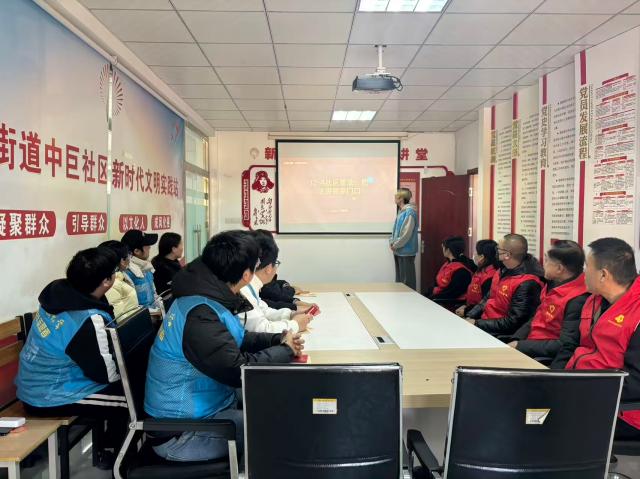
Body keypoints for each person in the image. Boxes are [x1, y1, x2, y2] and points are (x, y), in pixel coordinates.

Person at [144, 230, 305, 462]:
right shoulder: (200, 314)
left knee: (277, 399)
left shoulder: (205, 295)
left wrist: (277, 340)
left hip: (205, 408)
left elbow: (235, 338)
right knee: (281, 427)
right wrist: (285, 351)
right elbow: (237, 370)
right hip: (183, 432)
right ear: (247, 274)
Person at [15, 248, 128, 467]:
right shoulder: (87, 318)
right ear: (106, 281)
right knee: (128, 399)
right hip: (49, 395)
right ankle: (117, 460)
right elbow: (107, 375)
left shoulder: (58, 295)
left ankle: (107, 448)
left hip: (33, 384)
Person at [564, 238, 640, 440]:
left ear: (603, 274)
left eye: (587, 267)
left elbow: (635, 383)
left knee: (544, 424)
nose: (583, 273)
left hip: (622, 411)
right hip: (581, 389)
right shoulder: (594, 300)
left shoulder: (637, 314)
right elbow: (576, 348)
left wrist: (580, 391)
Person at [506, 240, 588, 366]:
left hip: (542, 357)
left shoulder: (577, 299)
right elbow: (537, 318)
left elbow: (565, 345)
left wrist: (521, 346)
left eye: (546, 260)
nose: (543, 264)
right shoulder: (552, 283)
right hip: (528, 346)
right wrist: (516, 340)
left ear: (559, 268)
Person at [467, 234, 544, 336]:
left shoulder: (527, 283)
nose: (496, 251)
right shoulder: (502, 270)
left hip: (499, 333)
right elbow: (488, 297)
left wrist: (477, 323)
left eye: (498, 249)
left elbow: (514, 322)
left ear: (507, 255)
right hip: (486, 324)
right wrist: (470, 316)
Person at [240, 231, 314, 333]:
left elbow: (263, 310)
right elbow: (262, 329)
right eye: (276, 263)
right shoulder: (243, 290)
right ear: (268, 268)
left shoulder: (250, 286)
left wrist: (291, 314)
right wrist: (295, 325)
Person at [251, 230, 316, 311]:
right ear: (269, 268)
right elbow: (273, 295)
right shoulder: (248, 288)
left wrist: (294, 302)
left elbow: (263, 304)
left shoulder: (254, 283)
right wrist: (294, 303)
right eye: (275, 262)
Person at [455, 239, 499, 317]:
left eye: (476, 252)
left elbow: (485, 304)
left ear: (482, 257)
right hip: (470, 310)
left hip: (478, 316)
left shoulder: (491, 277)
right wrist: (465, 306)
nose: (474, 254)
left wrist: (467, 311)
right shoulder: (481, 270)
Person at [430, 236, 476, 304]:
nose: (442, 250)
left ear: (448, 250)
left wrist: (431, 298)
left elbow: (451, 293)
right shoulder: (449, 263)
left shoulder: (462, 271)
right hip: (439, 297)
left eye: (443, 248)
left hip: (450, 302)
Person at [100, 240, 139, 319]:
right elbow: (118, 317)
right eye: (128, 256)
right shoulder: (111, 283)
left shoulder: (119, 276)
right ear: (122, 260)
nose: (129, 259)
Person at [121, 229, 159, 308]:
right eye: (146, 245)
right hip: (143, 314)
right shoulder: (127, 273)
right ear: (137, 251)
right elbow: (131, 305)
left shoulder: (146, 267)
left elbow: (154, 295)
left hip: (155, 313)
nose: (149, 247)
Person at [390, 188, 418, 290]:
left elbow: (406, 234)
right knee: (400, 281)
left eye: (396, 195)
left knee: (407, 281)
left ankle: (409, 299)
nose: (394, 197)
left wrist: (395, 245)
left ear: (401, 198)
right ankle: (400, 298)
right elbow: (395, 231)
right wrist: (392, 242)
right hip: (399, 250)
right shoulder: (401, 212)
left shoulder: (410, 213)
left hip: (406, 252)